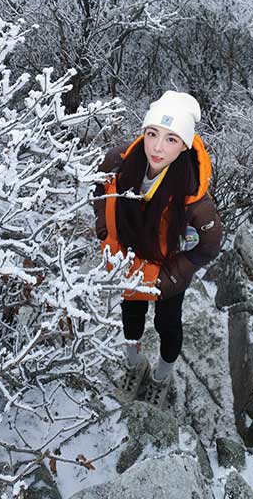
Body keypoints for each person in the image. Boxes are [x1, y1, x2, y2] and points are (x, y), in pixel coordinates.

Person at [94, 90, 222, 408]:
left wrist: (168, 278)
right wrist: (104, 233)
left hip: (166, 276)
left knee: (167, 326)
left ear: (185, 145)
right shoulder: (118, 163)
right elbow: (98, 193)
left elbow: (208, 246)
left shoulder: (193, 195)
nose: (157, 147)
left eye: (171, 139)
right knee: (131, 321)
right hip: (127, 265)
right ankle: (135, 367)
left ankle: (161, 378)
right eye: (152, 134)